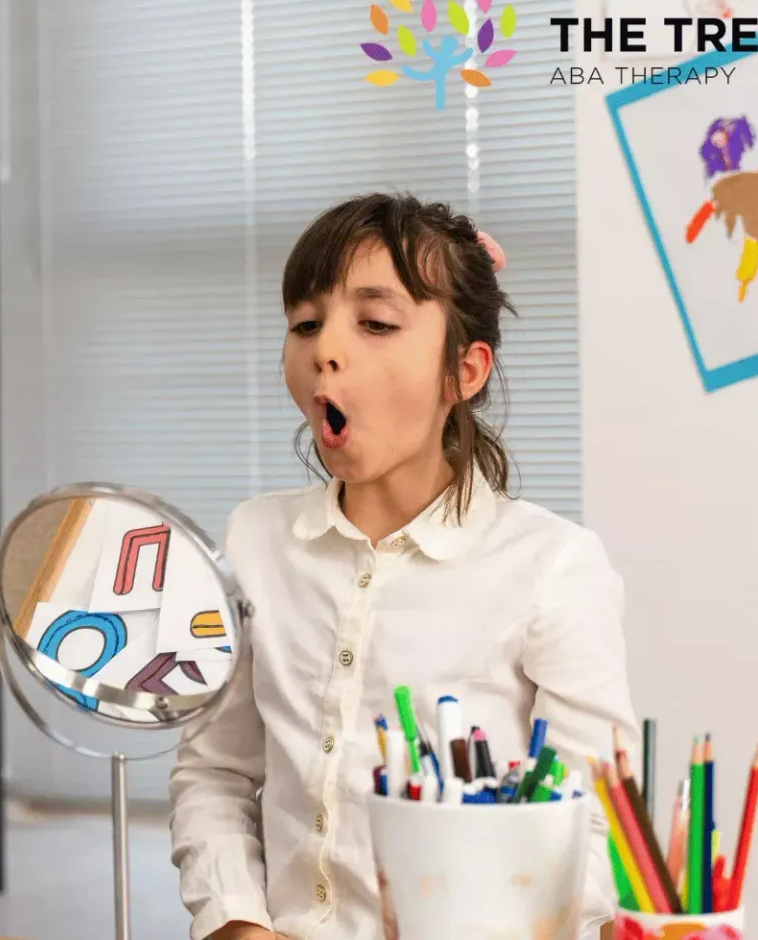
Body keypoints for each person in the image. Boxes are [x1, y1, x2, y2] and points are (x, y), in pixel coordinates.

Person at [168, 193, 635, 940]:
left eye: (377, 323)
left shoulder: (553, 567)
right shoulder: (253, 541)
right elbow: (217, 773)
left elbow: (597, 828)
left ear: (465, 371)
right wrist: (235, 920)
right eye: (305, 323)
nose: (326, 348)